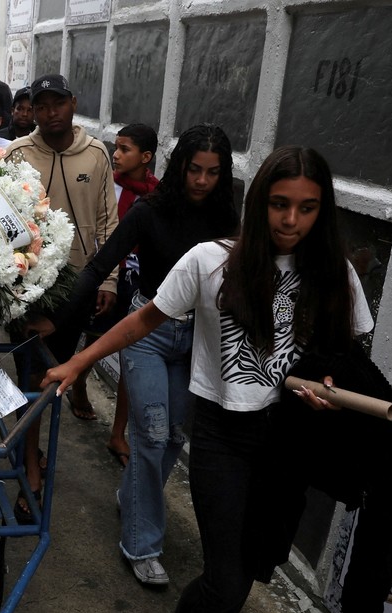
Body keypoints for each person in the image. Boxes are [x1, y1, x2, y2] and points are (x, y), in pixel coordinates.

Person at [39, 146, 374, 613]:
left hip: (288, 441)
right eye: (280, 204)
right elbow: (143, 321)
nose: (291, 220)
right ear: (259, 202)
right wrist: (78, 362)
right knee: (226, 579)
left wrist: (330, 387)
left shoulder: (334, 273)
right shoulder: (211, 260)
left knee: (253, 564)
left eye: (307, 207)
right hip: (223, 435)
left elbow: (347, 354)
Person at [36, 124, 237, 587]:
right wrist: (58, 319)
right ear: (180, 166)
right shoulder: (150, 210)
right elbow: (98, 267)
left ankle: (132, 496)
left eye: (212, 172)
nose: (202, 180)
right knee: (150, 434)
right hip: (147, 332)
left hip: (198, 339)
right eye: (194, 169)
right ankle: (142, 545)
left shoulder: (226, 218)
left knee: (173, 437)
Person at [3, 73, 119, 523]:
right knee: (31, 374)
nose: (50, 113)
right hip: (28, 283)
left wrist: (107, 281)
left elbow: (108, 221)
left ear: (72, 103)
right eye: (40, 105)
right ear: (32, 110)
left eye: (57, 103)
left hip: (79, 285)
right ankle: (30, 469)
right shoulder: (17, 153)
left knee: (54, 375)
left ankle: (29, 446)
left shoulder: (96, 153)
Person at [100, 123, 160, 466]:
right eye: (116, 147)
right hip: (107, 273)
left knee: (129, 352)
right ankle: (79, 389)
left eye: (124, 149)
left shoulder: (157, 195)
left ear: (146, 157)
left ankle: (118, 432)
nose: (116, 154)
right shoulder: (107, 184)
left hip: (139, 281)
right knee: (95, 337)